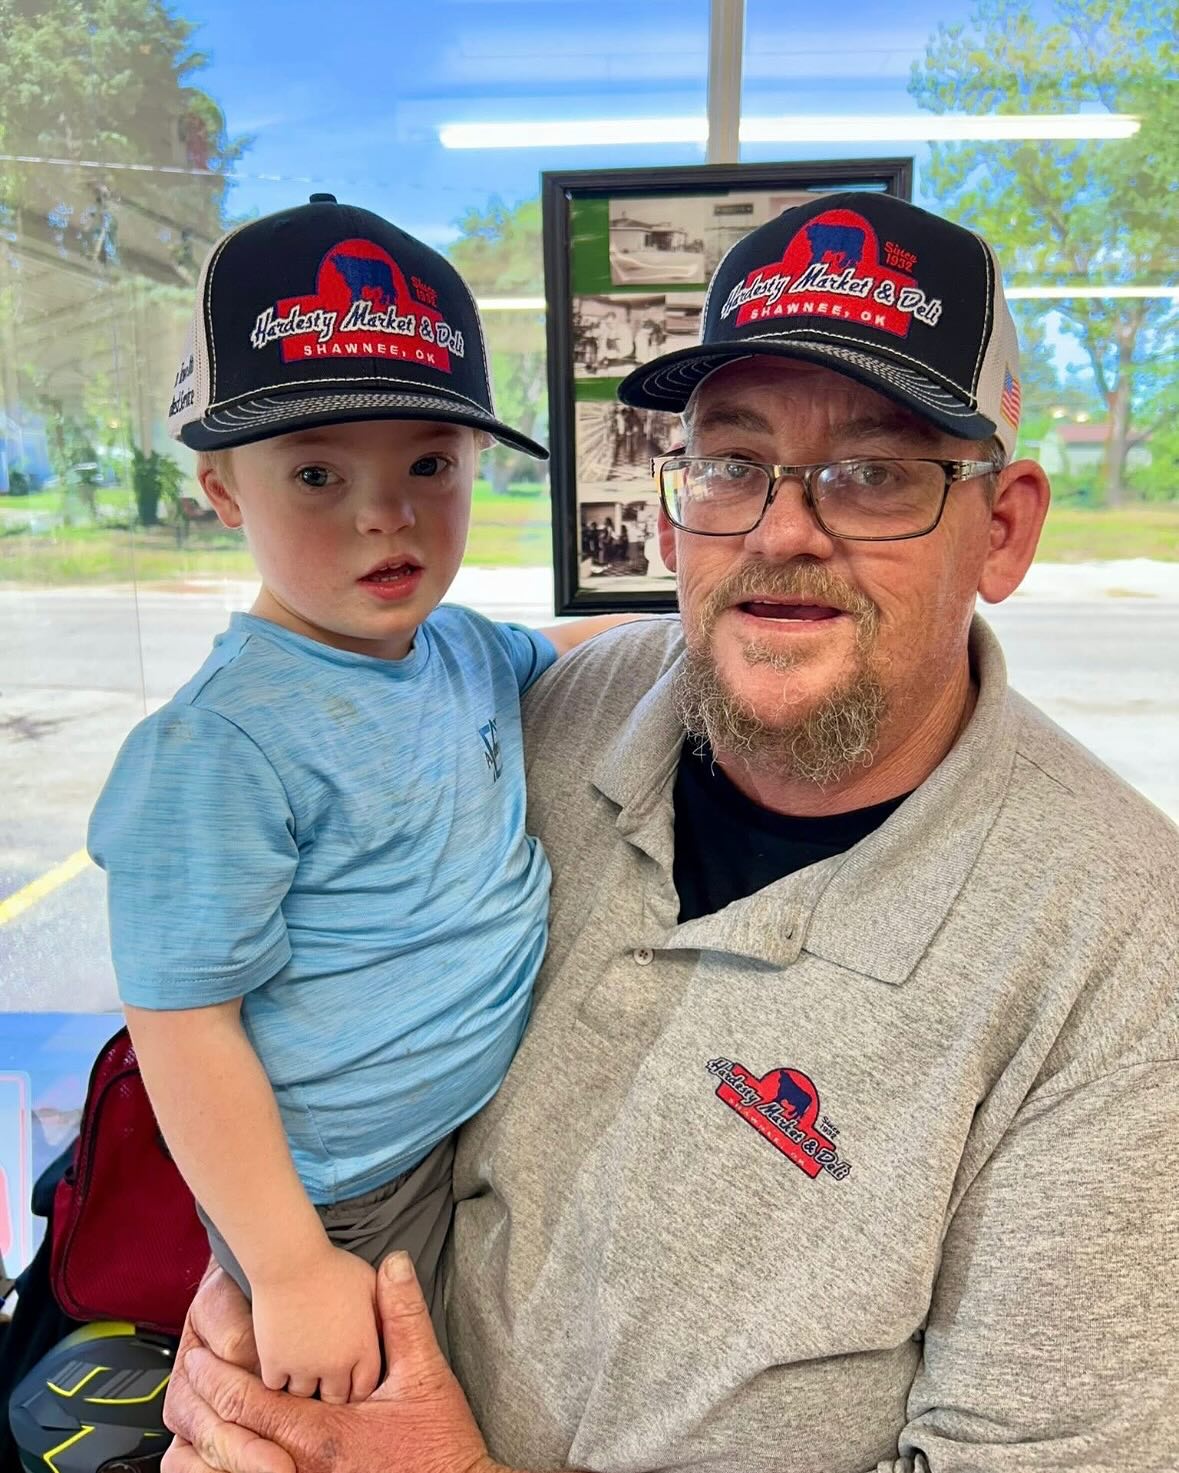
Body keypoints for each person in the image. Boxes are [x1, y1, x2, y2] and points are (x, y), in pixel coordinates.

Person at [162, 192, 1178, 1472]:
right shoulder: (546, 724)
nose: (783, 529)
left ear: (1006, 526)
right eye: (732, 463)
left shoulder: (1126, 957)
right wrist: (268, 1262)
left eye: (874, 473)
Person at [87, 196, 634, 1410]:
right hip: (337, 1188)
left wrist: (703, 629)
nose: (384, 514)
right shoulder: (221, 745)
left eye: (427, 464)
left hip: (465, 1126)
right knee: (361, 1429)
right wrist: (288, 1264)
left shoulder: (455, 650)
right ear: (222, 491)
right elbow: (181, 1024)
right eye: (319, 473)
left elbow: (563, 645)